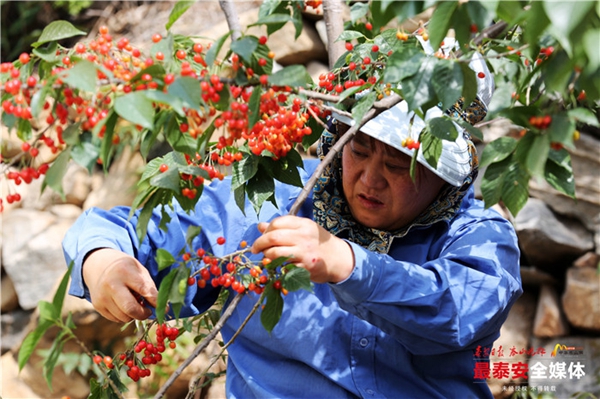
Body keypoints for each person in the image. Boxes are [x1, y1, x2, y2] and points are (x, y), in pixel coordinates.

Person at [63, 52, 522, 398]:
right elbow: (126, 232)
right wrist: (103, 263)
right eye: (359, 148)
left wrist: (351, 265)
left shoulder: (476, 235)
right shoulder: (272, 199)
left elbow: (459, 312)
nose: (369, 178)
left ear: (443, 172)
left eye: (400, 164)